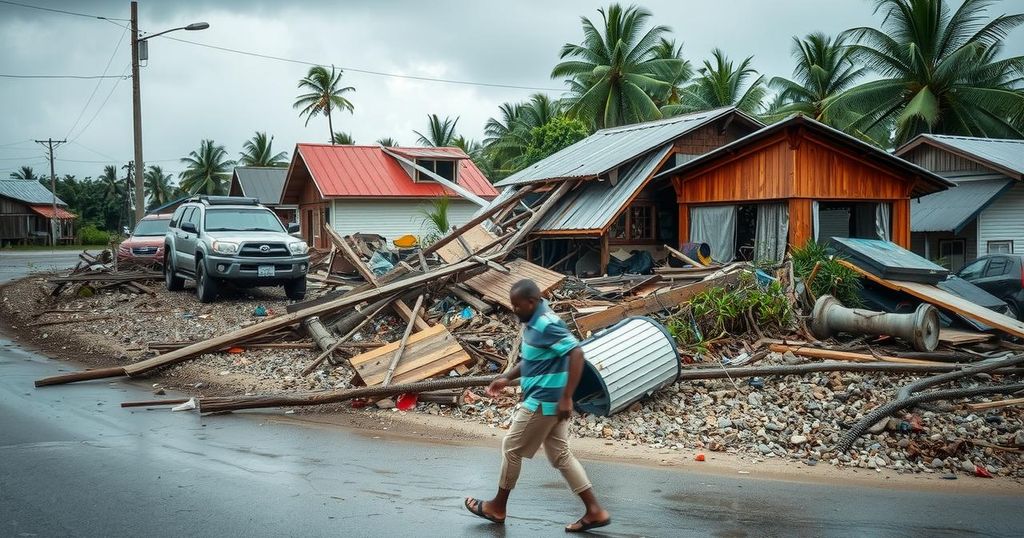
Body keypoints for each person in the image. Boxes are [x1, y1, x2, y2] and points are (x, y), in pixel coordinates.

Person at [464, 279, 611, 533]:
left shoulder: (547, 323)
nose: (514, 310)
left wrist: (566, 396)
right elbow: (533, 359)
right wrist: (507, 377)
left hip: (544, 401)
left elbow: (576, 353)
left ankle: (497, 507)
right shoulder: (532, 322)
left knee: (511, 447)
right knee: (560, 455)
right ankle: (595, 511)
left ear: (531, 302)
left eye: (517, 306)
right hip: (550, 401)